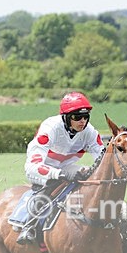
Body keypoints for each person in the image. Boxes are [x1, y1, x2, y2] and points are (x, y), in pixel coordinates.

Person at [17, 91, 106, 244]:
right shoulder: (50, 128)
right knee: (49, 186)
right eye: (77, 117)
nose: (82, 121)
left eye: (86, 117)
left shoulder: (89, 131)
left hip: (67, 167)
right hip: (41, 169)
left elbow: (102, 157)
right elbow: (33, 165)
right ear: (66, 117)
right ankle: (29, 226)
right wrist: (56, 174)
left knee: (88, 177)